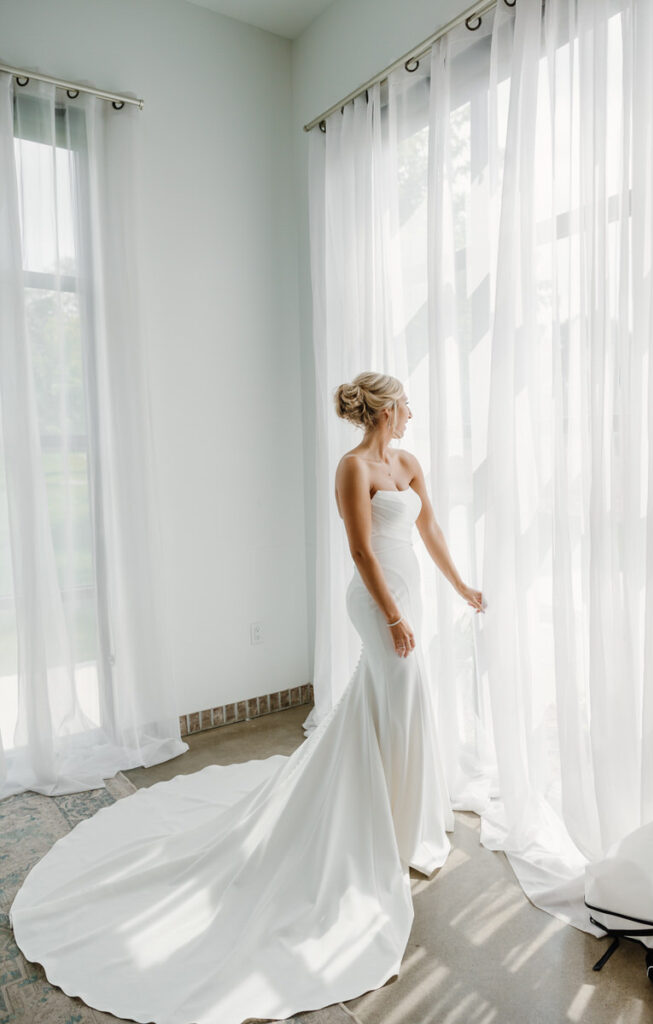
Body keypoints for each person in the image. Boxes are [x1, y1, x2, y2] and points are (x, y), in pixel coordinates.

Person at [9, 371, 486, 1024]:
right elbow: (357, 548)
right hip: (378, 606)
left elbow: (428, 531)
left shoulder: (407, 462)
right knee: (394, 698)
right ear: (383, 408)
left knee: (394, 705)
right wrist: (392, 616)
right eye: (404, 404)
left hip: (412, 600)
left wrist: (459, 586)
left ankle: (400, 820)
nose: (411, 414)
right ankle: (381, 827)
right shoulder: (352, 468)